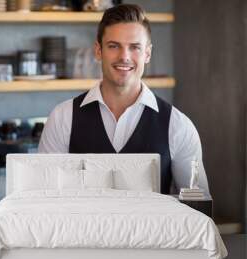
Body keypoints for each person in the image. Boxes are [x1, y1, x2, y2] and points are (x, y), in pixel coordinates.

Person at [38, 4, 209, 195]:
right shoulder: (63, 118)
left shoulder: (178, 125)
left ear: (147, 54)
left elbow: (196, 209)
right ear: (98, 50)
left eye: (135, 47)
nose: (124, 57)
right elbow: (45, 199)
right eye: (113, 46)